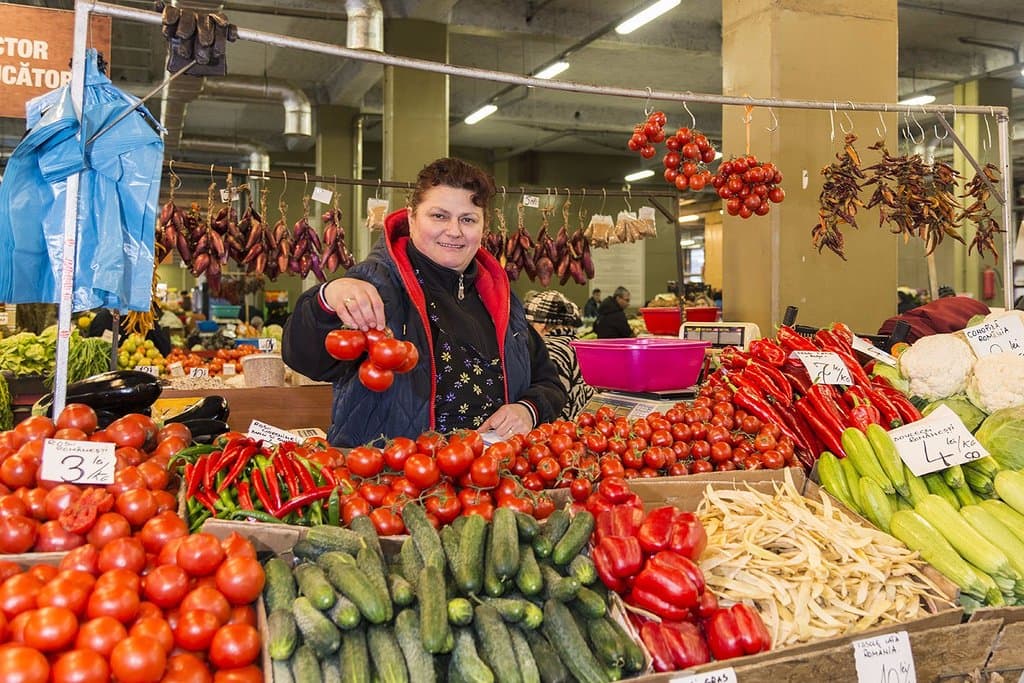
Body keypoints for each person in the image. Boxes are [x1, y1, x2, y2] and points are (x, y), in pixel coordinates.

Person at [282, 157, 566, 447]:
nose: (454, 231)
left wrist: (528, 409)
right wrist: (328, 297)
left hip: (485, 482)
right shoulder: (375, 282)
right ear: (411, 218)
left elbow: (549, 382)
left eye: (467, 219)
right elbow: (304, 358)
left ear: (483, 228)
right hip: (392, 481)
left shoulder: (500, 297)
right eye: (439, 216)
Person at [524, 291, 595, 420]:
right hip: (585, 426)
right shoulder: (581, 345)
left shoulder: (550, 351)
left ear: (541, 325)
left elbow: (552, 402)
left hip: (563, 430)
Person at [87, 306, 172, 356]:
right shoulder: (102, 318)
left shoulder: (144, 318)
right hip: (137, 372)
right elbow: (165, 349)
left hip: (138, 365)